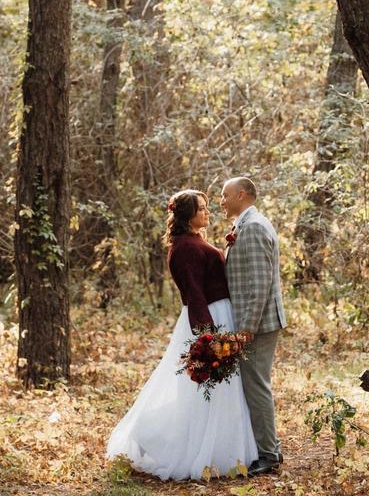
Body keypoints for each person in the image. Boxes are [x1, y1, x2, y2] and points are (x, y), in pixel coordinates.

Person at [105, 189, 258, 480]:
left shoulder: (194, 241)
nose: (207, 212)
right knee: (205, 391)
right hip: (210, 317)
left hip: (221, 314)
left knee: (220, 393)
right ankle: (157, 435)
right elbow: (195, 295)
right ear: (188, 215)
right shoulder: (184, 248)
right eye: (201, 208)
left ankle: (221, 448)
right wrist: (208, 338)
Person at [221, 175, 287, 476]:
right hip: (254, 321)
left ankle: (268, 455)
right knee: (254, 385)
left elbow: (260, 284)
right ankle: (268, 445)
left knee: (256, 386)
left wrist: (246, 326)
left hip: (259, 324)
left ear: (242, 194)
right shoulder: (243, 226)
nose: (222, 200)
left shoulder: (256, 227)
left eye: (225, 195)